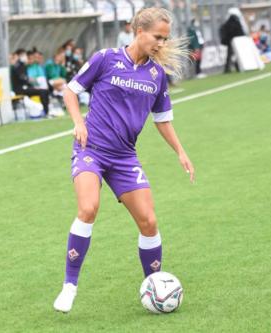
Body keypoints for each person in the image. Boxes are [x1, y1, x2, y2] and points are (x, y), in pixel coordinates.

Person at [53, 7, 195, 313]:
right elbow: (70, 91)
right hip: (91, 149)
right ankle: (69, 286)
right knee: (88, 208)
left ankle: (155, 287)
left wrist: (180, 152)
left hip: (124, 157)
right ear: (138, 30)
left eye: (165, 38)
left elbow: (163, 119)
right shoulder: (106, 58)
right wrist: (78, 123)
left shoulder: (156, 75)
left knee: (149, 221)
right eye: (158, 36)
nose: (161, 43)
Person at [9, 49, 50, 116]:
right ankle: (46, 112)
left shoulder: (23, 65)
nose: (25, 57)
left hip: (26, 88)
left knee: (45, 91)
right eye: (24, 55)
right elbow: (22, 78)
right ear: (19, 56)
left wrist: (32, 85)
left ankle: (46, 111)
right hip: (20, 90)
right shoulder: (17, 66)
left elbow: (25, 79)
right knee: (42, 91)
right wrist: (31, 82)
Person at [220, 8, 246, 73]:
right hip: (235, 41)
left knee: (230, 55)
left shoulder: (228, 23)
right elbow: (241, 32)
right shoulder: (236, 22)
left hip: (231, 41)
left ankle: (228, 68)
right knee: (236, 55)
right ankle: (237, 67)